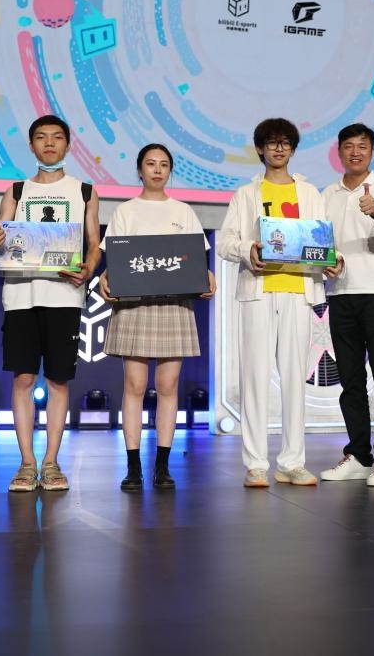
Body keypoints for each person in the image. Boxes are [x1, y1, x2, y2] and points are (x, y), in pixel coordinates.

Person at [0, 115, 101, 493]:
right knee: (23, 378)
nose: (49, 143)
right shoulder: (16, 191)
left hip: (64, 296)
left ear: (68, 144)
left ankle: (51, 462)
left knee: (58, 380)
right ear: (31, 145)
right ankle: (26, 463)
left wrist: (89, 268)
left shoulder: (84, 191)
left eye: (57, 137)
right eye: (41, 137)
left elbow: (94, 244)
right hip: (21, 296)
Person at [216, 118, 337, 488]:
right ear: (260, 149)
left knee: (294, 379)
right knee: (254, 377)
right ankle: (256, 464)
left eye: (285, 143)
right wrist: (247, 248)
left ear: (293, 149)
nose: (279, 148)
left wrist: (331, 259)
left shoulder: (310, 193)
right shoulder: (245, 194)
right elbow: (225, 242)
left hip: (299, 291)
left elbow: (322, 241)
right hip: (259, 291)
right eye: (272, 142)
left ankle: (291, 462)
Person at [99, 144, 216, 491]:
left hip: (173, 305)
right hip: (134, 304)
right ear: (139, 170)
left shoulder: (183, 211)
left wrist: (207, 276)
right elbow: (113, 261)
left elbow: (197, 260)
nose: (157, 170)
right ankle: (133, 467)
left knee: (167, 387)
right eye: (150, 164)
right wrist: (106, 277)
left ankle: (162, 466)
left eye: (164, 164)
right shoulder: (125, 211)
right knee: (134, 386)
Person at [319, 124, 374, 488]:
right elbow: (321, 242)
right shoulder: (326, 194)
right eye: (349, 146)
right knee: (351, 379)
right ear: (339, 151)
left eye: (362, 146)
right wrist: (326, 263)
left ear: (372, 151)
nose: (355, 152)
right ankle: (358, 455)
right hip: (340, 294)